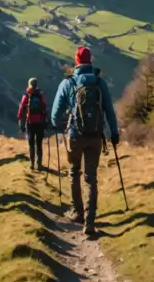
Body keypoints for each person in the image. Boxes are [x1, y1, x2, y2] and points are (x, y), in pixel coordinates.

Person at [51, 46, 118, 237]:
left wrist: (56, 124)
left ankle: (77, 212)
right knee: (91, 177)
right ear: (91, 61)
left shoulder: (69, 82)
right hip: (95, 135)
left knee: (74, 172)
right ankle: (90, 221)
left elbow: (56, 112)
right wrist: (113, 133)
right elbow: (109, 110)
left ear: (76, 61)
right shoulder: (99, 82)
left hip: (74, 134)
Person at [18, 77, 47, 171]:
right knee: (39, 144)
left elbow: (21, 110)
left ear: (29, 84)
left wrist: (21, 124)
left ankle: (32, 164)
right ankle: (39, 165)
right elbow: (44, 108)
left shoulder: (26, 96)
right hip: (40, 123)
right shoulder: (40, 95)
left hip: (30, 123)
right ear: (36, 85)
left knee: (31, 144)